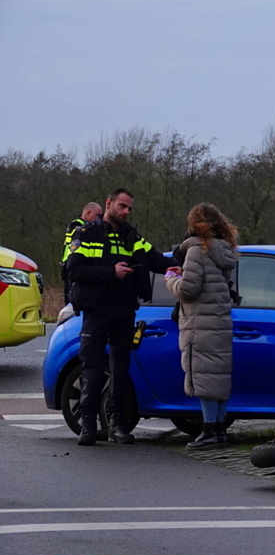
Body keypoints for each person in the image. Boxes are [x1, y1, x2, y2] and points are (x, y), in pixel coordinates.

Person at [66, 189, 179, 446]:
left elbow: (156, 259)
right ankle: (87, 426)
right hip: (96, 310)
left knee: (120, 367)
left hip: (124, 310)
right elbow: (74, 270)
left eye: (129, 208)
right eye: (122, 206)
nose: (126, 212)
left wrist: (181, 261)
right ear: (109, 204)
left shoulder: (132, 236)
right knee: (92, 367)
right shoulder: (88, 234)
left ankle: (117, 425)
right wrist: (111, 272)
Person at [165, 203, 239, 449]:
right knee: (218, 378)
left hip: (200, 325)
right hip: (219, 322)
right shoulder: (224, 252)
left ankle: (208, 432)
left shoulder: (197, 251)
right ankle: (219, 430)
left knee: (205, 379)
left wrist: (172, 280)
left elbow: (188, 290)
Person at [61, 202, 102, 304]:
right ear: (87, 213)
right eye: (97, 215)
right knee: (72, 301)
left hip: (76, 265)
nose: (99, 219)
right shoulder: (76, 225)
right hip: (70, 266)